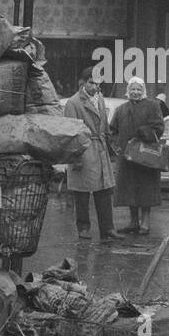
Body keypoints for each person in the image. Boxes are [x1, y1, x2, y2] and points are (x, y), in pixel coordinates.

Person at [63, 68, 125, 243]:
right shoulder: (73, 103)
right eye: (91, 83)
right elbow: (70, 132)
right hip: (83, 149)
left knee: (104, 190)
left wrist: (110, 146)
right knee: (82, 191)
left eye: (98, 84)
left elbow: (105, 126)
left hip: (100, 148)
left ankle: (108, 229)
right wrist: (75, 158)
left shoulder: (100, 98)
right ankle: (83, 227)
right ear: (83, 82)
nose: (95, 87)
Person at [109, 77, 165, 236]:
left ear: (143, 91)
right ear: (128, 91)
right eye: (132, 89)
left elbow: (159, 127)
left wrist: (145, 132)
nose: (135, 92)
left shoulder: (152, 106)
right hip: (127, 157)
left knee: (146, 189)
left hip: (146, 156)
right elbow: (113, 130)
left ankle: (145, 223)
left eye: (138, 89)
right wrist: (118, 145)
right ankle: (133, 222)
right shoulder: (121, 109)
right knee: (129, 190)